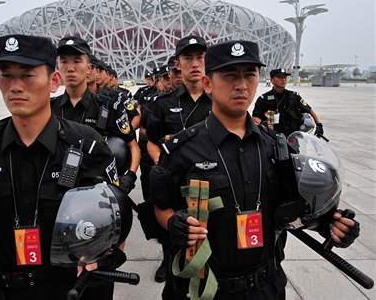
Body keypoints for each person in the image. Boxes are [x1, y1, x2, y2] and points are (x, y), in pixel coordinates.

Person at [150, 40, 360, 300]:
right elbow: (160, 206)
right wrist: (174, 222)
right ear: (208, 84)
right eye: (229, 76)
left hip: (265, 286)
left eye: (249, 74)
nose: (241, 85)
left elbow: (292, 207)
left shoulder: (277, 148)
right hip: (204, 288)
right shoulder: (182, 150)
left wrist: (329, 225)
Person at [0, 35, 124, 300]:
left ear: (53, 81)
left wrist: (101, 257)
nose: (15, 86)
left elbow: (115, 214)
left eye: (27, 75)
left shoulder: (88, 146)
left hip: (68, 289)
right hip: (3, 288)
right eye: (7, 76)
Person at [146, 35, 212, 287]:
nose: (195, 63)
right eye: (188, 58)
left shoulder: (217, 101)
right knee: (173, 230)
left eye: (200, 58)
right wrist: (161, 165)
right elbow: (151, 140)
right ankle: (168, 262)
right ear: (178, 63)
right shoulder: (164, 104)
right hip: (174, 181)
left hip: (209, 182)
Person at [51, 36, 139, 195]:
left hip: (97, 192)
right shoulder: (48, 108)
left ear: (89, 68)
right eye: (64, 61)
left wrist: (130, 176)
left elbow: (132, 146)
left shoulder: (109, 107)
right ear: (57, 67)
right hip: (55, 190)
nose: (70, 68)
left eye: (77, 61)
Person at [252, 68, 324, 138]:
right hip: (272, 137)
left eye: (285, 77)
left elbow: (309, 110)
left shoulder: (294, 96)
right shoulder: (264, 98)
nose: (283, 79)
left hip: (292, 137)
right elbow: (255, 117)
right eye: (280, 77)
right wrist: (263, 125)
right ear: (272, 80)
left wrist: (319, 125)